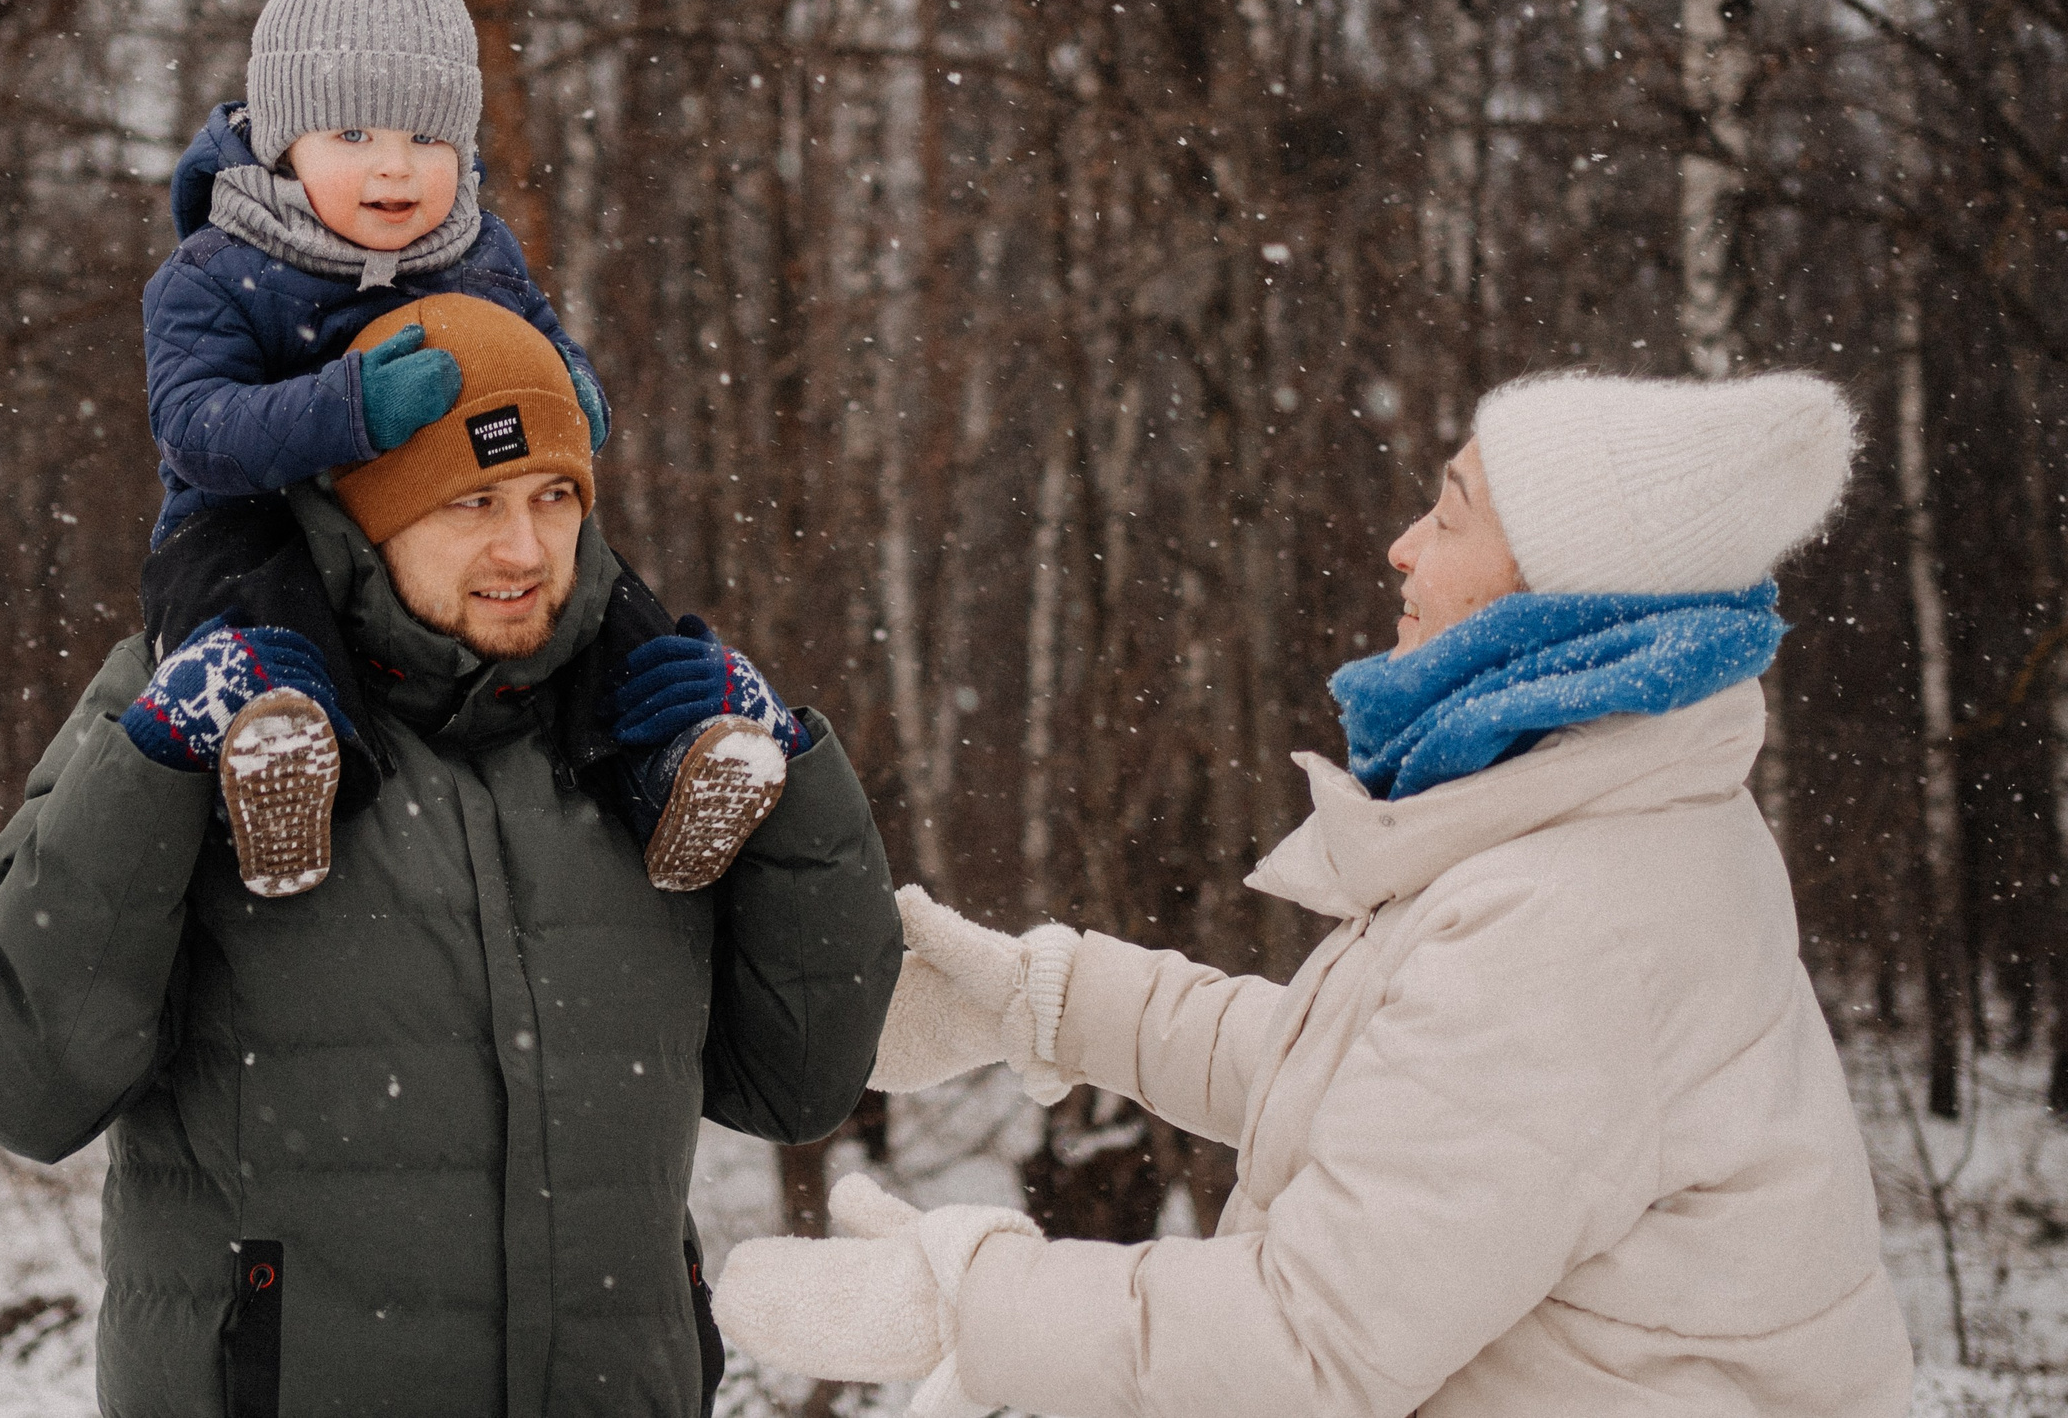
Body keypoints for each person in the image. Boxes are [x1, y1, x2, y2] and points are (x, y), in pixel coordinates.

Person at [712, 369, 1914, 1418]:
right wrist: (1053, 1002)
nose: (1402, 544)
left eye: (1449, 515)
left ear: (1558, 598)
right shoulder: (1603, 815)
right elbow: (1391, 1092)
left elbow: (1309, 1346)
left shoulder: (1570, 913)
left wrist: (968, 1301)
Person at [0, 295, 904, 1418]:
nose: (524, 548)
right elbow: (28, 1088)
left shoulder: (644, 741)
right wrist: (151, 765)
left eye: (555, 497)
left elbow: (798, 1083)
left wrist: (793, 780)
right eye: (471, 501)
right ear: (363, 511)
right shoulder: (198, 703)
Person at [140, 0, 786, 902]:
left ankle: (672, 755)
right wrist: (345, 411)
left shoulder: (477, 250)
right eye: (354, 135)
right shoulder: (216, 272)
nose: (396, 169)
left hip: (455, 520)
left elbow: (533, 338)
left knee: (596, 592)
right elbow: (198, 431)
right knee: (256, 595)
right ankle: (281, 748)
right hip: (254, 520)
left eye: (427, 137)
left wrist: (569, 388)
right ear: (283, 136)